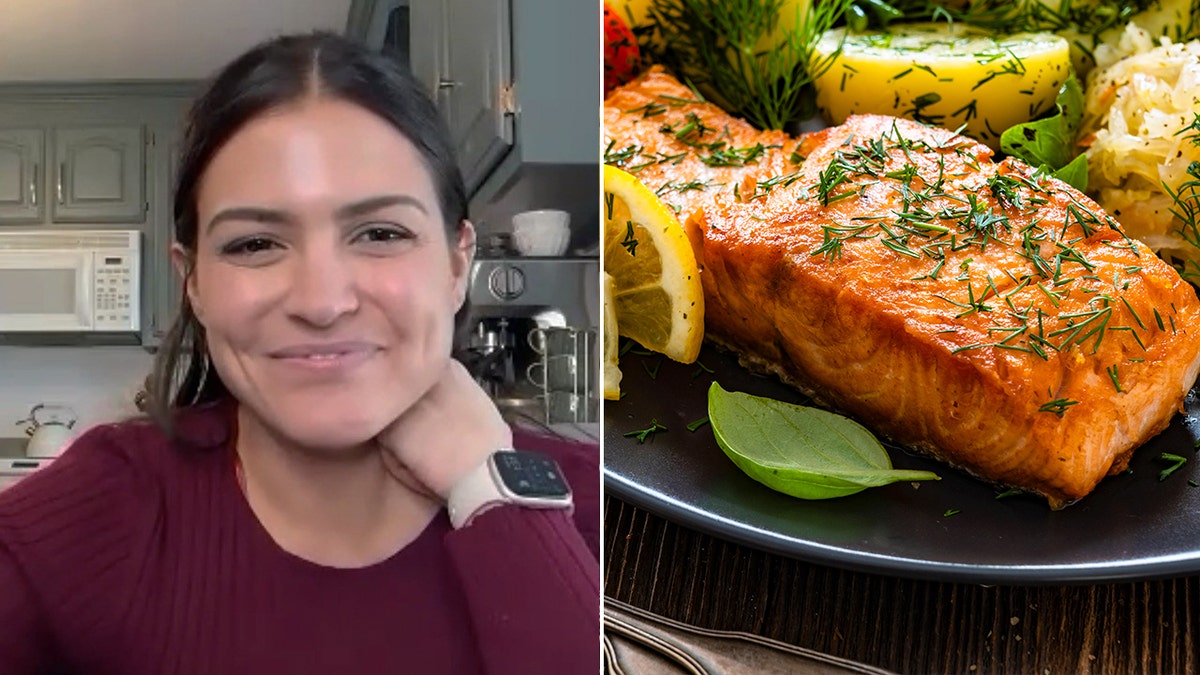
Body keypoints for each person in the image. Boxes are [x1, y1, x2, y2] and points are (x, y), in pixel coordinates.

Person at [0, 32, 600, 674]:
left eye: (379, 233)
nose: (321, 302)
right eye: (254, 244)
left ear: (458, 263)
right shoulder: (90, 514)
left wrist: (499, 497)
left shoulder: (600, 505)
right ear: (194, 282)